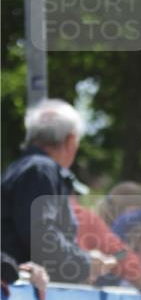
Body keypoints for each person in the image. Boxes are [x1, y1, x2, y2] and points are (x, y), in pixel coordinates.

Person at [1, 99, 117, 283]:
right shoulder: (40, 171)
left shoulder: (22, 168)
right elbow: (43, 241)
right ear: (71, 140)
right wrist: (86, 263)